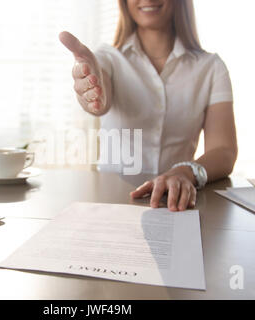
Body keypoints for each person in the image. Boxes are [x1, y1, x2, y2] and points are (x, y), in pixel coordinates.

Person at [59, 0, 237, 211]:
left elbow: (223, 151)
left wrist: (184, 172)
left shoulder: (211, 68)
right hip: (111, 205)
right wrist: (90, 91)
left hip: (175, 206)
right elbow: (99, 99)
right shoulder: (108, 59)